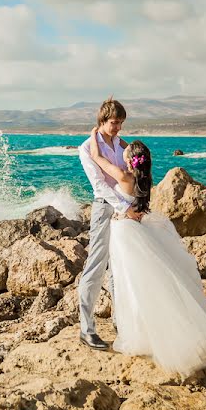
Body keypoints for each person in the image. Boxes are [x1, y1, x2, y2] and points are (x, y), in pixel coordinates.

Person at [87, 128, 206, 377]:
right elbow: (131, 158)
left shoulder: (123, 176)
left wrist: (94, 136)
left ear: (129, 161)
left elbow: (98, 159)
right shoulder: (144, 179)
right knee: (146, 283)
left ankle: (138, 333)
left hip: (124, 232)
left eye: (125, 153)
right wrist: (123, 142)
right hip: (137, 229)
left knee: (129, 283)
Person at [77, 97, 143, 350]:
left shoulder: (119, 143)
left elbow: (135, 167)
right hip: (106, 209)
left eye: (121, 123)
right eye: (115, 123)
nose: (118, 128)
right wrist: (124, 208)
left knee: (118, 267)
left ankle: (120, 322)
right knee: (95, 265)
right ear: (102, 120)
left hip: (126, 209)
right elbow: (99, 185)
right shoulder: (86, 148)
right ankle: (87, 329)